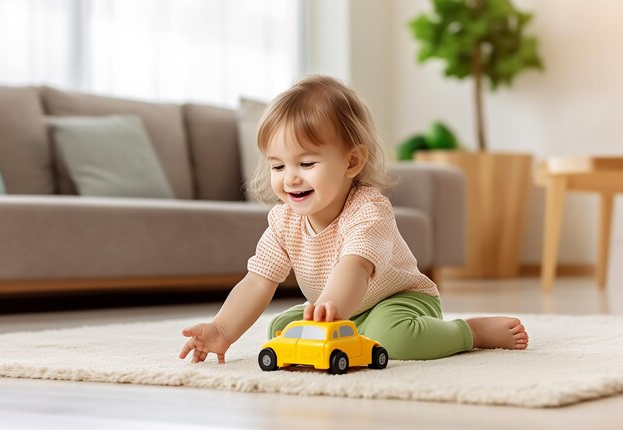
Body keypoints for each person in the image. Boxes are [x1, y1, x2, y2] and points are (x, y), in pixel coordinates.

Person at [179, 75, 528, 364]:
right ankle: (348, 331)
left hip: (399, 301)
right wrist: (223, 330)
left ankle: (471, 332)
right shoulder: (283, 221)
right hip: (342, 311)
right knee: (280, 331)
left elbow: (354, 269)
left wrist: (330, 310)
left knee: (393, 340)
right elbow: (257, 283)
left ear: (351, 162)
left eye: (307, 164)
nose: (290, 178)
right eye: (278, 166)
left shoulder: (368, 211)